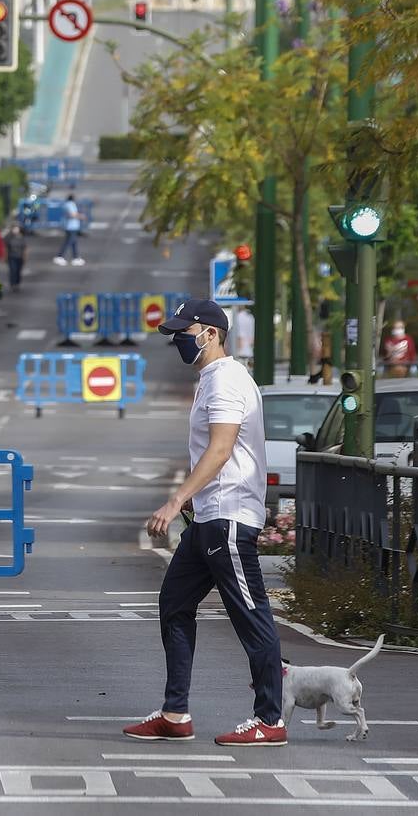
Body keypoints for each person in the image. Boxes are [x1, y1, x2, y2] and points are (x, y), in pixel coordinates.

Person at [123, 298, 285, 747]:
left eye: (184, 331)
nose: (178, 340)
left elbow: (221, 449)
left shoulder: (227, 380)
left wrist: (176, 501)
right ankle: (175, 713)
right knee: (174, 604)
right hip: (209, 518)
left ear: (210, 333)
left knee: (252, 616)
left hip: (229, 516)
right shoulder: (212, 379)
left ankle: (270, 718)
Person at [53, 194, 84, 266]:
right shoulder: (70, 204)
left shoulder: (66, 204)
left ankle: (75, 257)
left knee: (73, 243)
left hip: (70, 226)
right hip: (72, 227)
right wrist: (80, 216)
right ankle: (60, 256)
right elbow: (72, 214)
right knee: (69, 242)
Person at [4, 224, 27, 290]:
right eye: (14, 228)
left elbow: (25, 248)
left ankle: (17, 283)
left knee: (18, 271)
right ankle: (12, 284)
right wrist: (5, 257)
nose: (15, 230)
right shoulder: (9, 237)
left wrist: (25, 257)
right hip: (12, 257)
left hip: (20, 257)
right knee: (13, 270)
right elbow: (6, 247)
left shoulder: (21, 237)